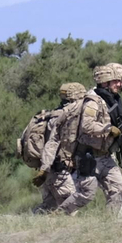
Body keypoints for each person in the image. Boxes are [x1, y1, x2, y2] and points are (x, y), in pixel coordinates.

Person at [61, 63, 122, 216]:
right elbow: (86, 125)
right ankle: (58, 215)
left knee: (119, 189)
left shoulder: (112, 100)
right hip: (89, 157)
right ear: (105, 81)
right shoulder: (93, 101)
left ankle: (113, 224)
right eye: (116, 81)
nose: (120, 84)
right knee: (85, 194)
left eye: (121, 81)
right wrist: (107, 129)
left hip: (105, 156)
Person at [33, 82, 89, 213]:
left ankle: (28, 225)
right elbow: (52, 144)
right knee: (71, 206)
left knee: (48, 207)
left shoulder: (54, 114)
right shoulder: (66, 118)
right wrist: (45, 168)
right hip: (57, 169)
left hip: (50, 170)